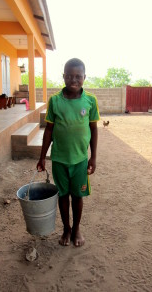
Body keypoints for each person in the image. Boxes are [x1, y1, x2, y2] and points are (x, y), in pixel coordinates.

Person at [36, 58, 100, 247]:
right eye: (70, 76)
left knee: (78, 196)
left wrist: (93, 157)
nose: (74, 80)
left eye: (78, 76)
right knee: (63, 195)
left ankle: (77, 228)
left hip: (80, 160)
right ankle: (66, 228)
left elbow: (94, 129)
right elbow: (49, 130)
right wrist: (42, 156)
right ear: (63, 76)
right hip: (59, 160)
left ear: (84, 77)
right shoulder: (55, 101)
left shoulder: (90, 100)